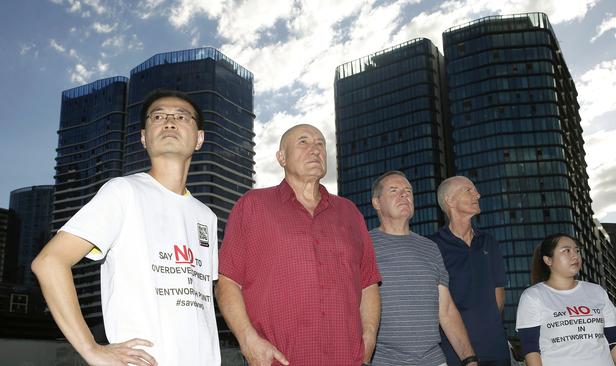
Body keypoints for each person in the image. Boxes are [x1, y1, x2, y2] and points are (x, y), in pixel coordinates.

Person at [32, 89, 221, 366]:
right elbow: (49, 262)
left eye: (181, 116)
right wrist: (90, 348)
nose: (169, 121)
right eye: (158, 116)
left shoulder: (207, 216)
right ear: (144, 138)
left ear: (199, 138)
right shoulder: (123, 192)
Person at [217, 124, 381, 366]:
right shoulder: (253, 205)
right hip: (277, 360)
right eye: (303, 142)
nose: (315, 149)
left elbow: (368, 283)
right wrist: (247, 338)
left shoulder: (349, 213)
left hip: (347, 358)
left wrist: (368, 341)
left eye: (320, 144)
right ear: (281, 157)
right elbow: (227, 281)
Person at [370, 171, 478, 366]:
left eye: (408, 191)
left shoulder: (430, 248)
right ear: (376, 203)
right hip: (384, 361)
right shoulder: (364, 246)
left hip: (433, 360)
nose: (404, 195)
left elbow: (446, 310)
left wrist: (469, 359)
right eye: (394, 190)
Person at [515, 233, 616, 366]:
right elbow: (531, 349)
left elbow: (615, 340)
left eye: (577, 250)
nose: (575, 255)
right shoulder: (532, 296)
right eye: (566, 251)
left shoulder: (597, 291)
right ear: (548, 260)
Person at [433, 176, 510, 365]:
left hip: (496, 349)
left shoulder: (489, 242)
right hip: (453, 353)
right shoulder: (433, 246)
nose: (478, 194)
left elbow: (498, 297)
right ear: (450, 200)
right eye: (469, 190)